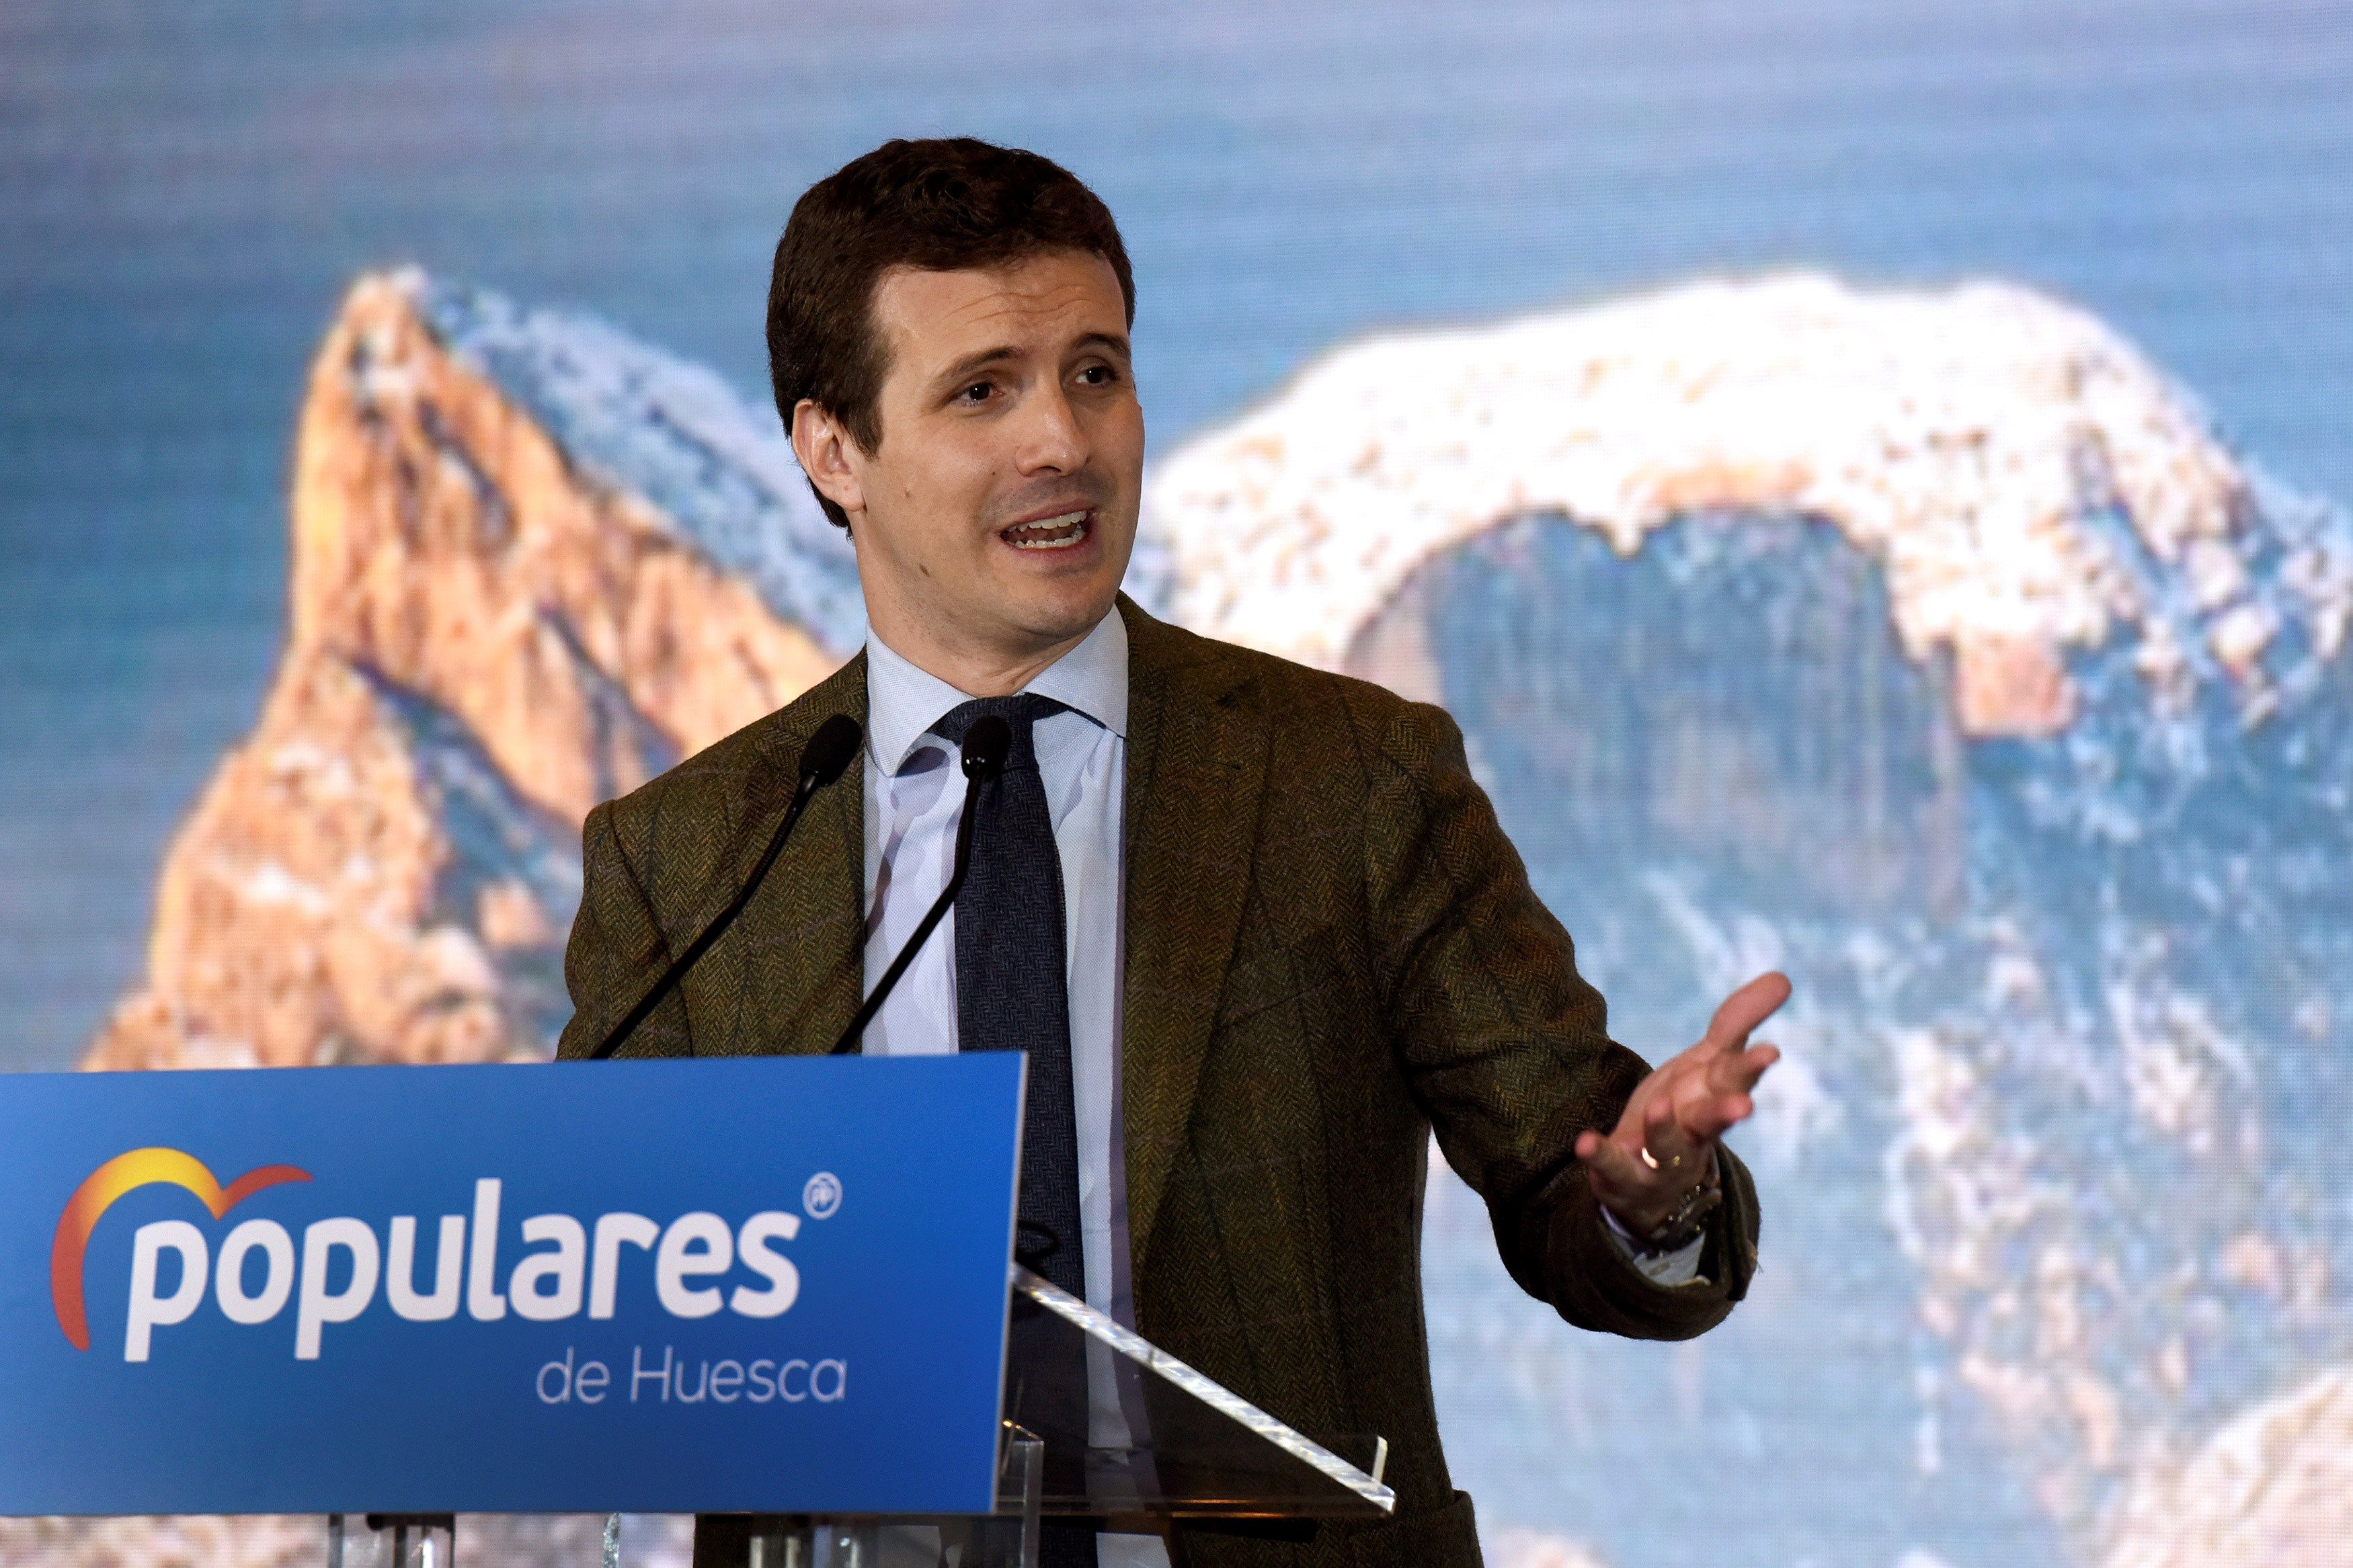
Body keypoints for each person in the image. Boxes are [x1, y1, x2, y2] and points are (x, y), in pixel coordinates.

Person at [556, 137, 1785, 1568]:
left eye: (1096, 371)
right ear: (835, 451)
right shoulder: (694, 856)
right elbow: (603, 1295)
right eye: (982, 391)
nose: (1062, 443)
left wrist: (1655, 1193)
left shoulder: (1348, 778)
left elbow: (1571, 1180)